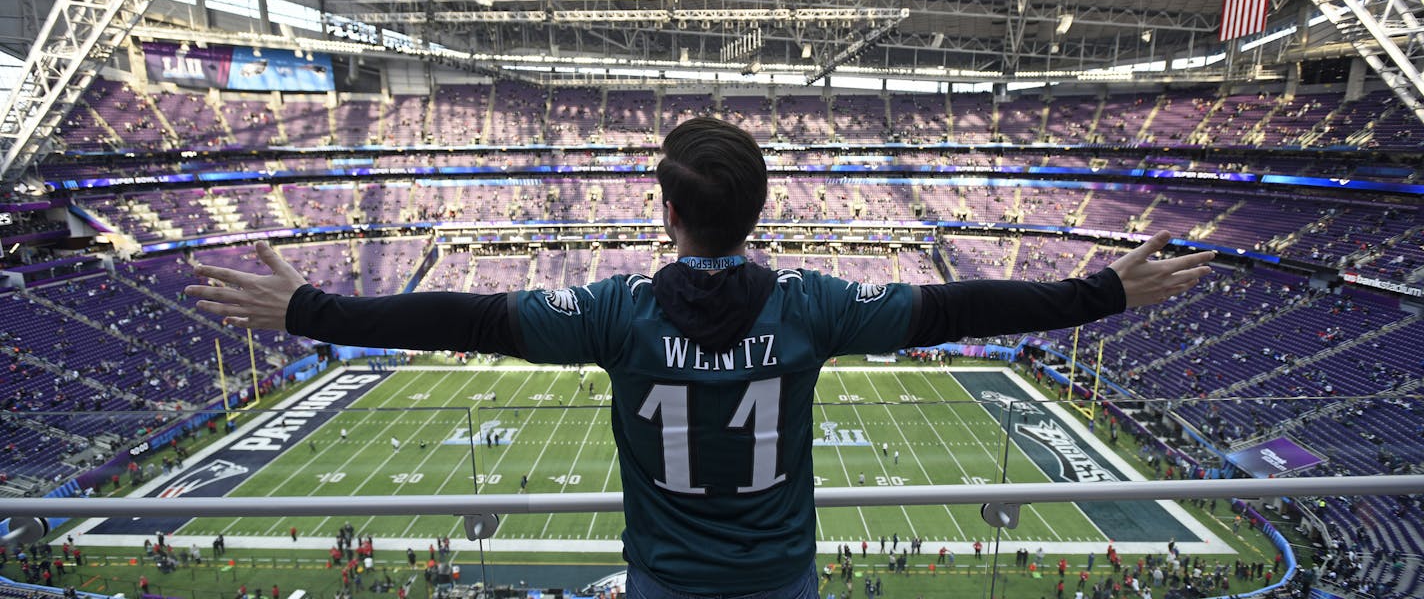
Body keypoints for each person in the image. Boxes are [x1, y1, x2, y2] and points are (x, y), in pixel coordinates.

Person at [187, 117, 1214, 599]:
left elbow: (466, 316)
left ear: (665, 211)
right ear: (759, 210)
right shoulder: (812, 303)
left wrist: (311, 307)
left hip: (666, 581)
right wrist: (1101, 291)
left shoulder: (612, 311)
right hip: (781, 578)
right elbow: (958, 304)